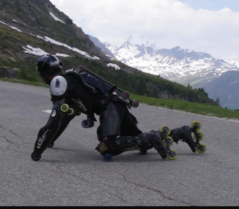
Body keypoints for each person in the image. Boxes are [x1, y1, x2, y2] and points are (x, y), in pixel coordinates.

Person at [31, 54, 200, 162]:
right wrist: (51, 141)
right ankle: (181, 132)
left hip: (110, 109)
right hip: (116, 106)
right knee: (140, 140)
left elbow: (54, 120)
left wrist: (38, 150)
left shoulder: (58, 82)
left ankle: (155, 136)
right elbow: (65, 117)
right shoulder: (70, 79)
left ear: (45, 73)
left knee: (107, 147)